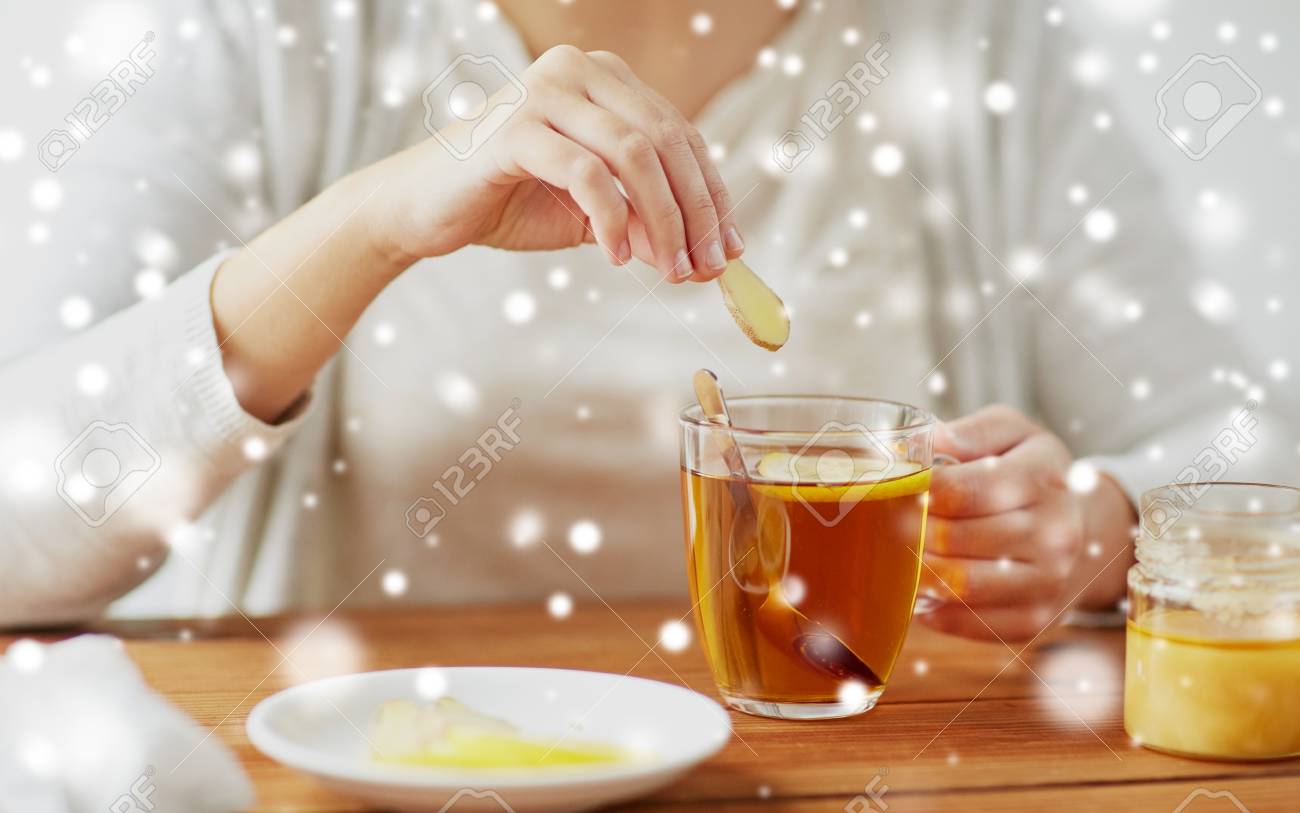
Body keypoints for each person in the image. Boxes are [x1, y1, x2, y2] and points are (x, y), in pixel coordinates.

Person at [0, 0, 1291, 639]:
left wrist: (1099, 527)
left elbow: (1247, 456)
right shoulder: (278, 35)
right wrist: (370, 222)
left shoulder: (969, 45)